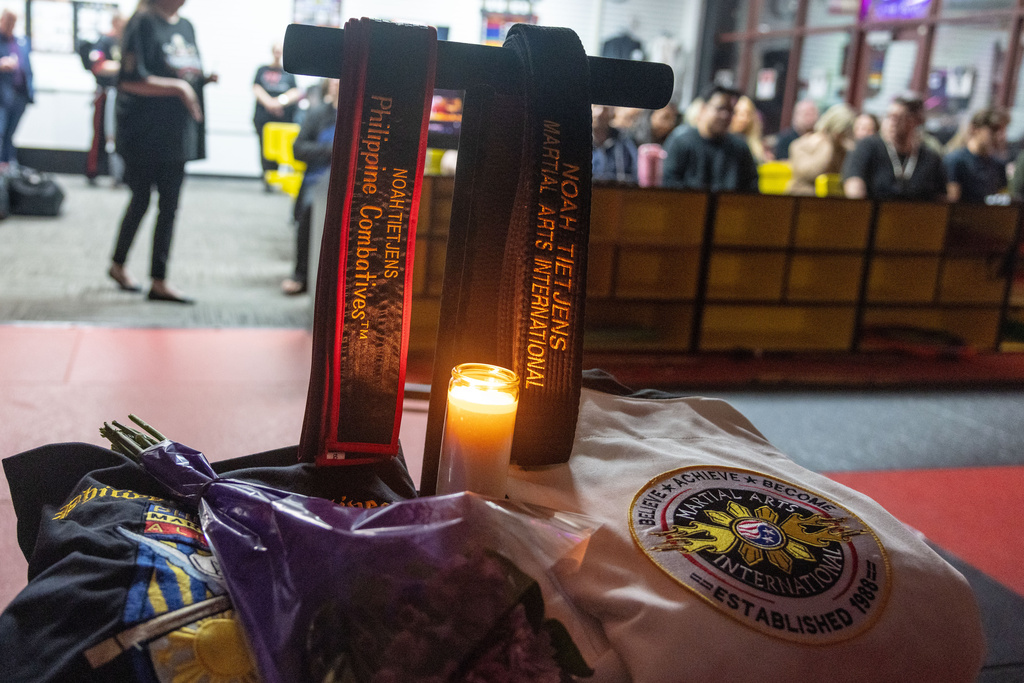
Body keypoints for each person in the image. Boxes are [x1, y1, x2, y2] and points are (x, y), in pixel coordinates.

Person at [107, 0, 217, 304]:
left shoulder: (186, 26)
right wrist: (179, 89)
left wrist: (201, 81)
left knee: (169, 206)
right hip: (145, 132)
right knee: (141, 199)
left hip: (177, 134)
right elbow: (130, 81)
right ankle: (118, 264)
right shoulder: (141, 23)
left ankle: (159, 279)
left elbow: (187, 72)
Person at [282, 78, 338, 295]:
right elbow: (299, 149)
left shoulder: (363, 116)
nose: (339, 85)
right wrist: (330, 150)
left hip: (350, 181)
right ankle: (301, 275)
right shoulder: (316, 115)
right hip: (317, 181)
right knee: (308, 210)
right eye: (335, 82)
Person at [841, 93, 947, 201]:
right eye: (888, 116)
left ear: (915, 121)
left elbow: (941, 200)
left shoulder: (930, 158)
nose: (892, 123)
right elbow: (854, 187)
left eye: (898, 118)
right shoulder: (867, 147)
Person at [661, 84, 759, 193]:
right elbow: (668, 184)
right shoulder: (681, 141)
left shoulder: (740, 148)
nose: (725, 115)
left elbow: (751, 190)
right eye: (720, 108)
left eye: (731, 111)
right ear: (703, 108)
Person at [253, 42, 301, 191]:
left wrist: (279, 102)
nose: (278, 54)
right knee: (265, 148)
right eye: (276, 51)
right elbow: (256, 88)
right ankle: (267, 179)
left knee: (282, 148)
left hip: (284, 119)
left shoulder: (289, 72)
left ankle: (277, 178)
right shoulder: (262, 70)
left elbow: (295, 92)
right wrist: (270, 103)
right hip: (264, 118)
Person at [84, 13, 126, 186]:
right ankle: (92, 171)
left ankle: (120, 175)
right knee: (101, 133)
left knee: (119, 135)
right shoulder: (105, 41)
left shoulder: (125, 42)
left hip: (122, 94)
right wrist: (123, 68)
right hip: (105, 94)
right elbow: (98, 66)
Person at [786, 103, 856, 196]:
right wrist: (828, 144)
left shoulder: (845, 149)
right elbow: (809, 174)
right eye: (842, 132)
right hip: (803, 197)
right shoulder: (802, 145)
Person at [945, 108, 1009, 203]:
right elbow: (952, 201)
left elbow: (1003, 200)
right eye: (994, 129)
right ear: (975, 129)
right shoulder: (955, 161)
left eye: (1002, 130)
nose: (1000, 136)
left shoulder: (999, 164)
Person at [0, 9, 32, 168]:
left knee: (10, 134)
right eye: (7, 21)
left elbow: (28, 67)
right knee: (0, 131)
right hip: (2, 96)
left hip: (20, 95)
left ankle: (8, 166)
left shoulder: (21, 41)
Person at [592, 104, 638, 183]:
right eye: (595, 106)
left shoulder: (623, 141)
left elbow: (635, 174)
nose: (599, 113)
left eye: (605, 108)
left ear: (612, 113)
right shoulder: (579, 142)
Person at [730, 95, 768, 163]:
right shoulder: (724, 141)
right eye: (738, 113)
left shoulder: (755, 144)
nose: (743, 119)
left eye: (747, 114)